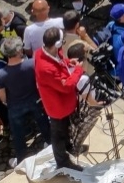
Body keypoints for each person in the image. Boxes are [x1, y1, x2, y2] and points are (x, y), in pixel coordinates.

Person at [35, 32, 90, 170]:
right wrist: (78, 70)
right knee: (58, 134)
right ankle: (62, 161)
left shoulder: (45, 52)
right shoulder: (47, 68)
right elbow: (66, 86)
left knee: (66, 128)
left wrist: (68, 62)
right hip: (57, 106)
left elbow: (59, 60)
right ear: (57, 44)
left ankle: (69, 147)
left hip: (63, 102)